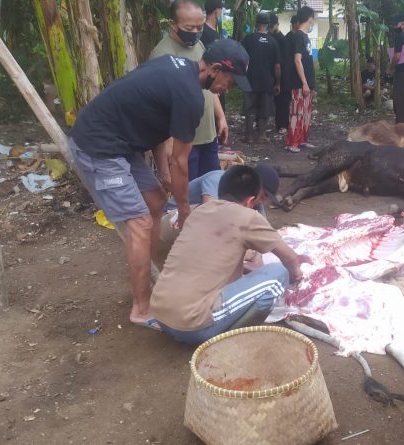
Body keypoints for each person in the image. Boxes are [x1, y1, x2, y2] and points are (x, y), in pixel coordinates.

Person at [69, 39, 252, 329]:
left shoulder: (178, 68)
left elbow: (154, 125)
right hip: (99, 145)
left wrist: (164, 176)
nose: (227, 89)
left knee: (155, 201)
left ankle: (151, 274)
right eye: (229, 81)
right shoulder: (190, 97)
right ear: (216, 69)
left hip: (122, 141)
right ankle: (141, 308)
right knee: (140, 223)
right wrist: (184, 209)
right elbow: (181, 162)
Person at [150, 165, 307, 344]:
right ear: (250, 201)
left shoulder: (199, 211)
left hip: (160, 314)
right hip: (192, 325)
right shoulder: (248, 217)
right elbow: (289, 258)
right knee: (279, 274)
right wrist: (296, 275)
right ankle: (230, 338)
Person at [150, 0, 228, 182]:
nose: (195, 32)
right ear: (173, 25)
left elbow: (209, 84)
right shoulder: (162, 54)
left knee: (211, 185)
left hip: (208, 135)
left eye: (199, 27)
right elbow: (159, 107)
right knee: (188, 190)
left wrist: (220, 116)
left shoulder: (199, 46)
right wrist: (167, 143)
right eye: (189, 27)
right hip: (183, 142)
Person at [241, 12, 281, 143]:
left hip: (250, 80)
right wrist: (278, 83)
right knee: (265, 109)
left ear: (256, 24)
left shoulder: (248, 39)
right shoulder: (273, 42)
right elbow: (277, 67)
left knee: (249, 109)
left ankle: (249, 136)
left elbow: (241, 59)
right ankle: (262, 135)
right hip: (267, 82)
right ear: (268, 25)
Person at [284, 6, 317, 153]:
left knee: (306, 114)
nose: (313, 22)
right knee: (296, 113)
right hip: (299, 83)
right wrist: (304, 83)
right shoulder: (298, 36)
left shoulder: (305, 37)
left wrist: (309, 84)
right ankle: (292, 142)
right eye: (313, 19)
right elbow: (297, 60)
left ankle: (302, 139)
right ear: (310, 19)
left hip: (308, 83)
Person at [269, 13, 291, 133]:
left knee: (282, 101)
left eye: (272, 26)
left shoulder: (283, 40)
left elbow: (285, 60)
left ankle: (283, 124)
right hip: (271, 73)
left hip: (282, 73)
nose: (270, 28)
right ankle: (277, 124)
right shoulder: (269, 37)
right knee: (275, 100)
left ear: (277, 25)